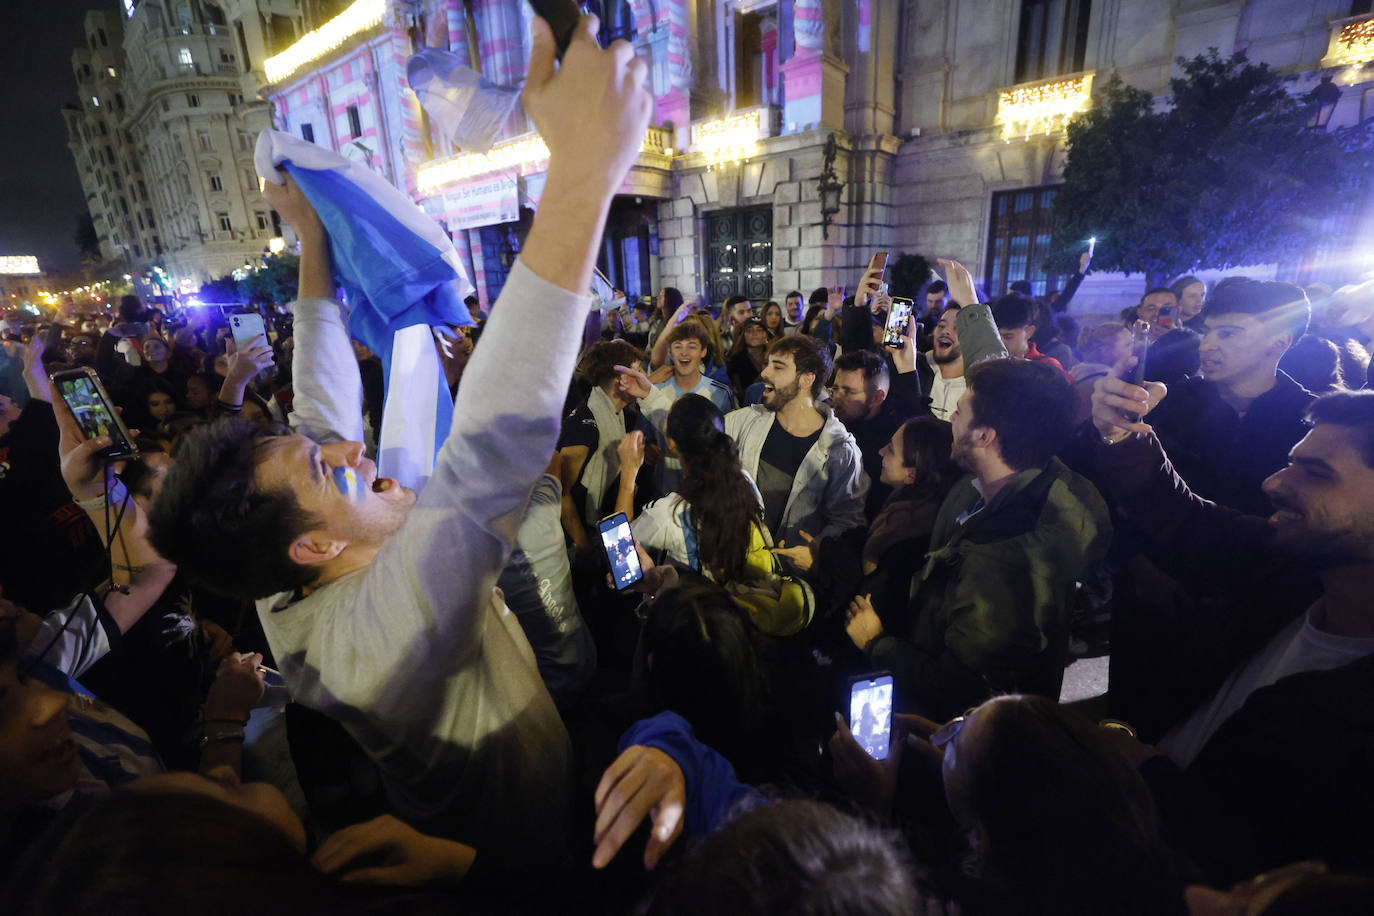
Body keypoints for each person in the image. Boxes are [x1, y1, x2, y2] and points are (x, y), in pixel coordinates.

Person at [145, 14, 653, 865]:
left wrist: (312, 241)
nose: (350, 449)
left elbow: (318, 405)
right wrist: (584, 176)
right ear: (312, 546)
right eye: (325, 469)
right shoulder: (385, 632)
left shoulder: (277, 570)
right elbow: (490, 451)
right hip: (524, 846)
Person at [1090, 378, 1374, 881]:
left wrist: (1141, 772)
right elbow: (1190, 520)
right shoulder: (1298, 571)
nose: (1274, 483)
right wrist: (1125, 435)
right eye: (1291, 461)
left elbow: (1283, 864)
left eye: (1316, 473)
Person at [846, 359, 1111, 720]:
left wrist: (877, 643)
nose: (950, 421)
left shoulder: (1001, 563)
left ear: (985, 436)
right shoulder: (1036, 482)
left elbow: (961, 691)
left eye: (958, 413)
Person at [652, 335, 865, 547]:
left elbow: (847, 519)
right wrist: (648, 395)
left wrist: (817, 551)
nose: (764, 373)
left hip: (793, 576)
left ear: (806, 379)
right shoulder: (746, 421)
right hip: (738, 564)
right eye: (767, 365)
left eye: (778, 367)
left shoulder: (840, 450)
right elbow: (692, 434)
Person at [1143, 278, 1315, 514]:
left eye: (1228, 334)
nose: (1205, 346)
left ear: (1278, 343)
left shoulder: (1310, 424)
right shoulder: (1172, 402)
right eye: (1207, 333)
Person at [557, 339, 651, 552]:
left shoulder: (618, 414)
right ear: (621, 380)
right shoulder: (586, 427)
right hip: (582, 542)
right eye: (638, 371)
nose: (643, 376)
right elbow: (560, 492)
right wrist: (583, 547)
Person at [830, 340, 927, 519]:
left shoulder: (896, 438)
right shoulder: (833, 422)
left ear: (877, 397)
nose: (837, 398)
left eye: (849, 392)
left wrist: (907, 368)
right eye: (835, 389)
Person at [989, 295, 1068, 374]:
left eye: (1008, 337)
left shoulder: (1046, 367)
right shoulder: (989, 364)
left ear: (1029, 332)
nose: (1000, 342)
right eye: (997, 337)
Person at [725, 316, 769, 401]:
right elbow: (740, 394)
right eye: (749, 330)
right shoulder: (735, 360)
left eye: (759, 330)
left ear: (766, 334)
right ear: (744, 335)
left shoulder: (773, 357)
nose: (754, 333)